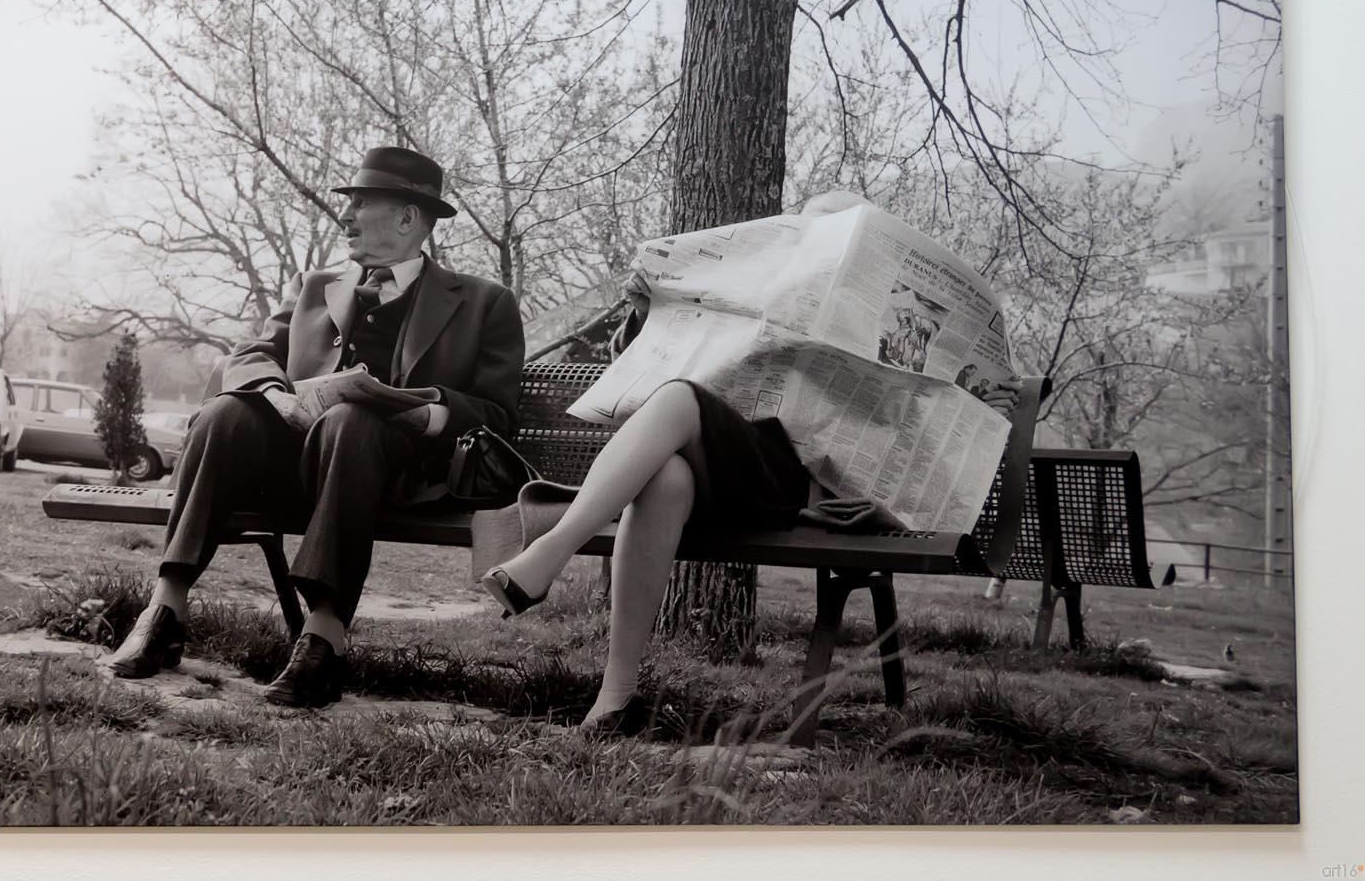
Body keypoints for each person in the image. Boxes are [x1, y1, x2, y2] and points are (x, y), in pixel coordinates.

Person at [479, 190, 1019, 734]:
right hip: (726, 464)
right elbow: (652, 373)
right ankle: (614, 700)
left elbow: (935, 457)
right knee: (666, 474)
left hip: (798, 487)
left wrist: (985, 409)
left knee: (677, 400)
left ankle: (550, 551)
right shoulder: (768, 294)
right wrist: (647, 313)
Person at [108, 146, 525, 709]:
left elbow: (498, 415)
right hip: (297, 458)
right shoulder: (316, 286)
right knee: (224, 412)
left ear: (408, 217)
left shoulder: (484, 302)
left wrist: (422, 411)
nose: (345, 217)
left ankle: (325, 635)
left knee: (352, 419)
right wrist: (278, 395)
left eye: (361, 204)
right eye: (346, 204)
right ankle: (165, 609)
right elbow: (249, 354)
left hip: (399, 474)